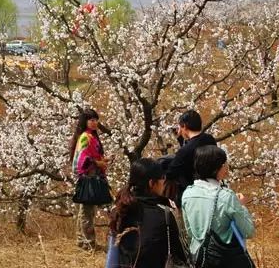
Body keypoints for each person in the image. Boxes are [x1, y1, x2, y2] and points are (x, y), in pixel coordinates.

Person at [181, 145, 255, 267]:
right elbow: (248, 231)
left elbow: (190, 232)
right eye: (224, 164)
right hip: (224, 259)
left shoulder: (187, 194)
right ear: (216, 168)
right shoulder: (226, 196)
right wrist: (241, 206)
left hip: (199, 258)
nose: (226, 167)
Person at [109, 158, 190, 267]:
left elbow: (112, 253)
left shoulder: (121, 209)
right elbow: (179, 253)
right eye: (162, 178)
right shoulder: (164, 214)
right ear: (151, 183)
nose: (164, 182)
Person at [69, 108, 108, 250]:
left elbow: (93, 156)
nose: (94, 122)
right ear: (85, 122)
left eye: (96, 120)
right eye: (91, 120)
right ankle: (88, 242)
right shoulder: (86, 137)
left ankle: (82, 240)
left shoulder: (92, 136)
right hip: (88, 177)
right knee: (87, 211)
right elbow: (83, 159)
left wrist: (103, 160)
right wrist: (99, 163)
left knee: (85, 210)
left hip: (93, 175)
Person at [166, 110, 217, 206]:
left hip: (195, 195)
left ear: (184, 126)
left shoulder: (185, 151)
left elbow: (170, 172)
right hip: (213, 187)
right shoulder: (210, 139)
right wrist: (181, 140)